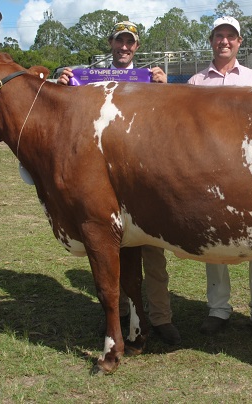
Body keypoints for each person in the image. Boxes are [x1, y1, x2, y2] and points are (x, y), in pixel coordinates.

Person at [58, 21, 180, 345]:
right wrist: (66, 85)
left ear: (136, 47)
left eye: (130, 42)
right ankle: (119, 314)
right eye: (119, 41)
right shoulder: (91, 79)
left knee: (153, 254)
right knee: (111, 251)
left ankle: (161, 317)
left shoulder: (148, 79)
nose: (124, 47)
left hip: (142, 176)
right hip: (105, 176)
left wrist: (164, 86)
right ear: (111, 43)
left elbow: (167, 116)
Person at [188, 16, 252, 339]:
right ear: (211, 41)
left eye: (231, 36)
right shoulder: (197, 83)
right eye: (219, 36)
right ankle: (218, 308)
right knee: (214, 239)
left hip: (251, 172)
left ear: (239, 42)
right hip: (210, 174)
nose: (225, 41)